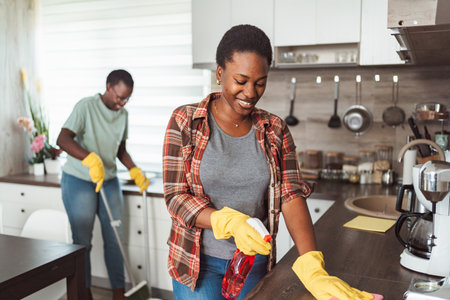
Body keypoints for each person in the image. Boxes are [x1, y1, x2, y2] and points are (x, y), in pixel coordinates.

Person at [162, 25, 380, 300]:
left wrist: (312, 265)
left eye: (260, 82)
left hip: (253, 262)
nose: (250, 92)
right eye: (240, 81)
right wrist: (225, 221)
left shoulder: (274, 129)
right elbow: (175, 196)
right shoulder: (185, 121)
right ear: (220, 74)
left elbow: (290, 195)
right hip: (196, 264)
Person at [57, 69, 149, 300]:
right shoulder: (86, 106)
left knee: (115, 239)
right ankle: (84, 293)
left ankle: (119, 294)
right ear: (108, 86)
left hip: (108, 180)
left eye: (127, 98)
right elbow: (62, 139)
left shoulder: (123, 115)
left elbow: (120, 150)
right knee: (82, 243)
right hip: (79, 179)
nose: (122, 102)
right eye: (119, 97)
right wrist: (88, 158)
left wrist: (134, 169)